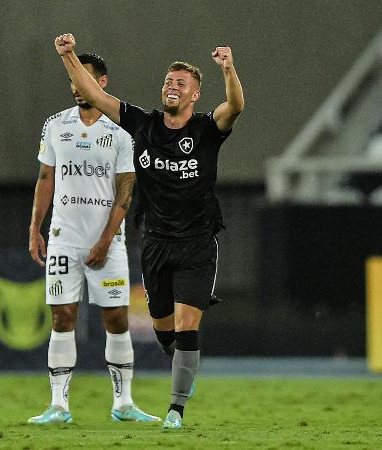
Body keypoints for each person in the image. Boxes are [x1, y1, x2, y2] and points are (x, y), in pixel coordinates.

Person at [53, 33, 244, 429]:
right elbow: (94, 93)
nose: (172, 87)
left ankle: (175, 410)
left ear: (195, 95)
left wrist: (228, 68)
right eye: (168, 81)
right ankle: (180, 362)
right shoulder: (143, 123)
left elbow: (236, 105)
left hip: (197, 244)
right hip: (156, 240)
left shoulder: (208, 129)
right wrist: (68, 56)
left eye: (181, 83)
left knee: (189, 325)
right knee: (163, 328)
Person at [28, 52, 160, 425]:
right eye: (71, 79)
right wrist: (35, 227)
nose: (75, 86)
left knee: (116, 318)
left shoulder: (121, 132)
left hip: (108, 243)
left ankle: (123, 404)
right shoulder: (55, 125)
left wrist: (104, 240)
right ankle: (58, 406)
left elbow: (126, 191)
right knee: (62, 316)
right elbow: (45, 179)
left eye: (82, 79)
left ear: (101, 82)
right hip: (63, 239)